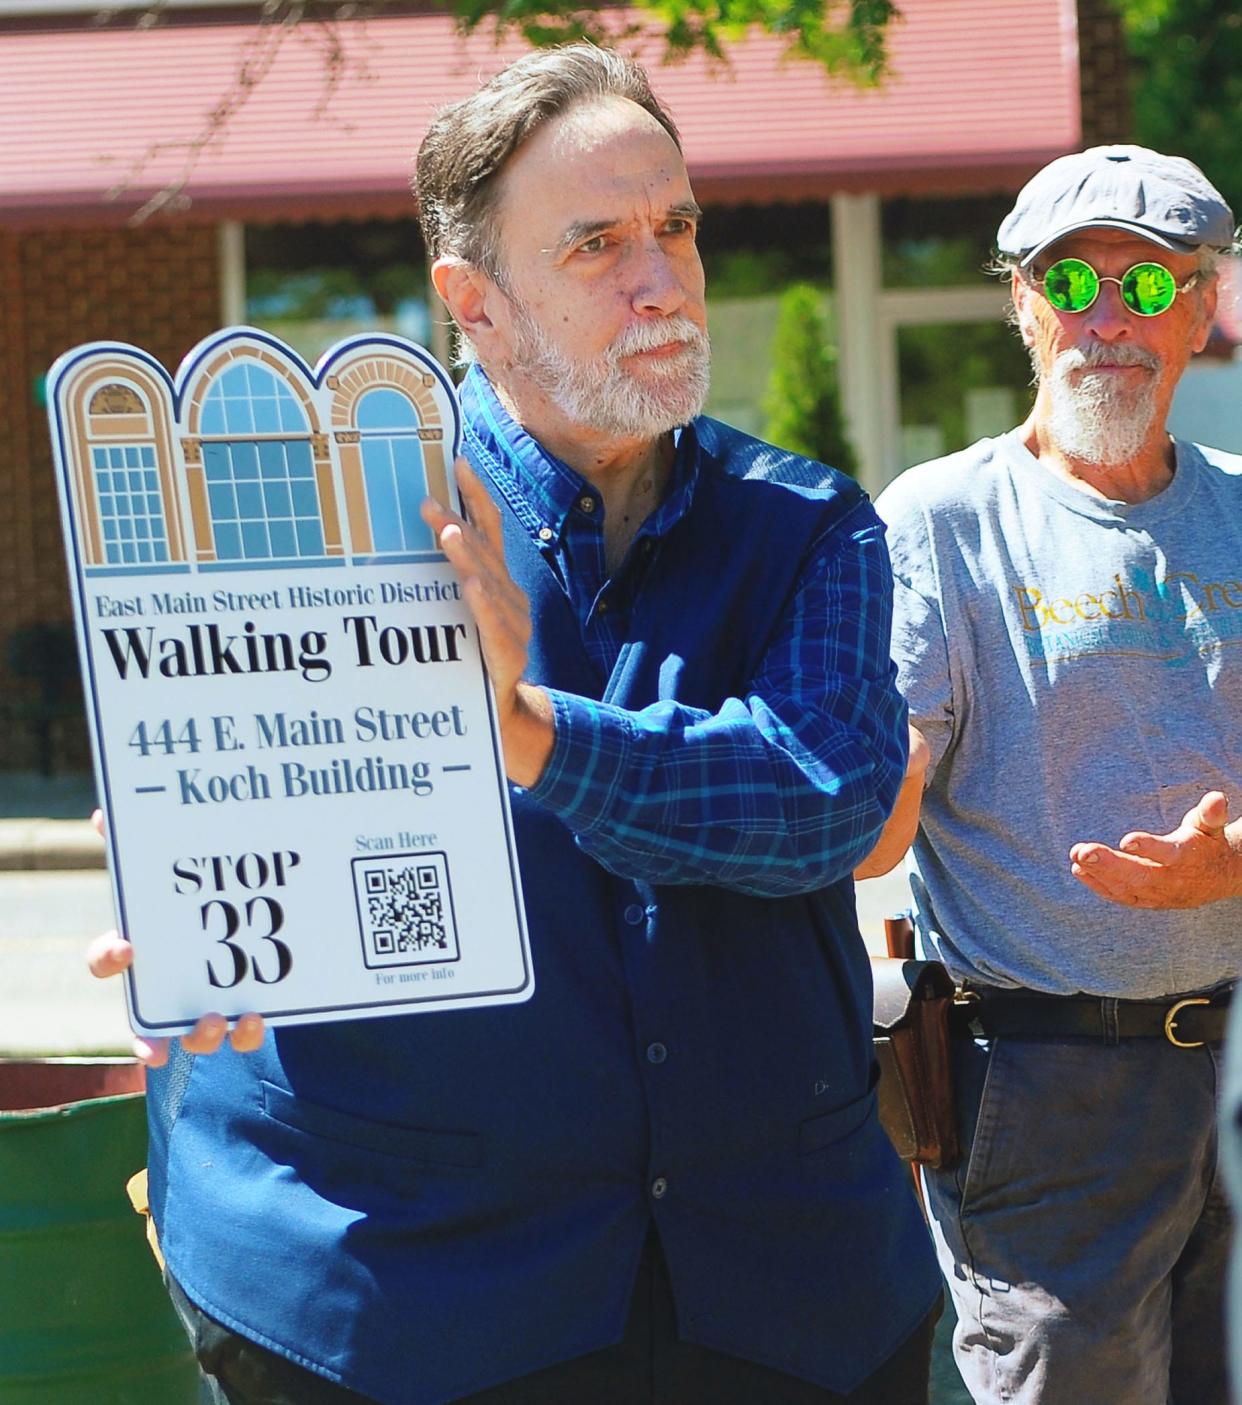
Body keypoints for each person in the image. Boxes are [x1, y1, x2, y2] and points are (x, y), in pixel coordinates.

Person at [89, 44, 941, 1405]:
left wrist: (525, 732)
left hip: (781, 1293)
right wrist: (197, 887)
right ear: (471, 302)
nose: (661, 281)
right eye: (597, 244)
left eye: (676, 228)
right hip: (401, 1294)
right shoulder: (310, 525)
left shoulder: (808, 526)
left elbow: (822, 800)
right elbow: (225, 842)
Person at [866, 143, 1242, 1404]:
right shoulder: (941, 518)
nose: (1106, 323)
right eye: (1071, 284)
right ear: (1021, 304)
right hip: (1043, 1088)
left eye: (1148, 291)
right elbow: (873, 818)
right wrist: (860, 779)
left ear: (1202, 310)